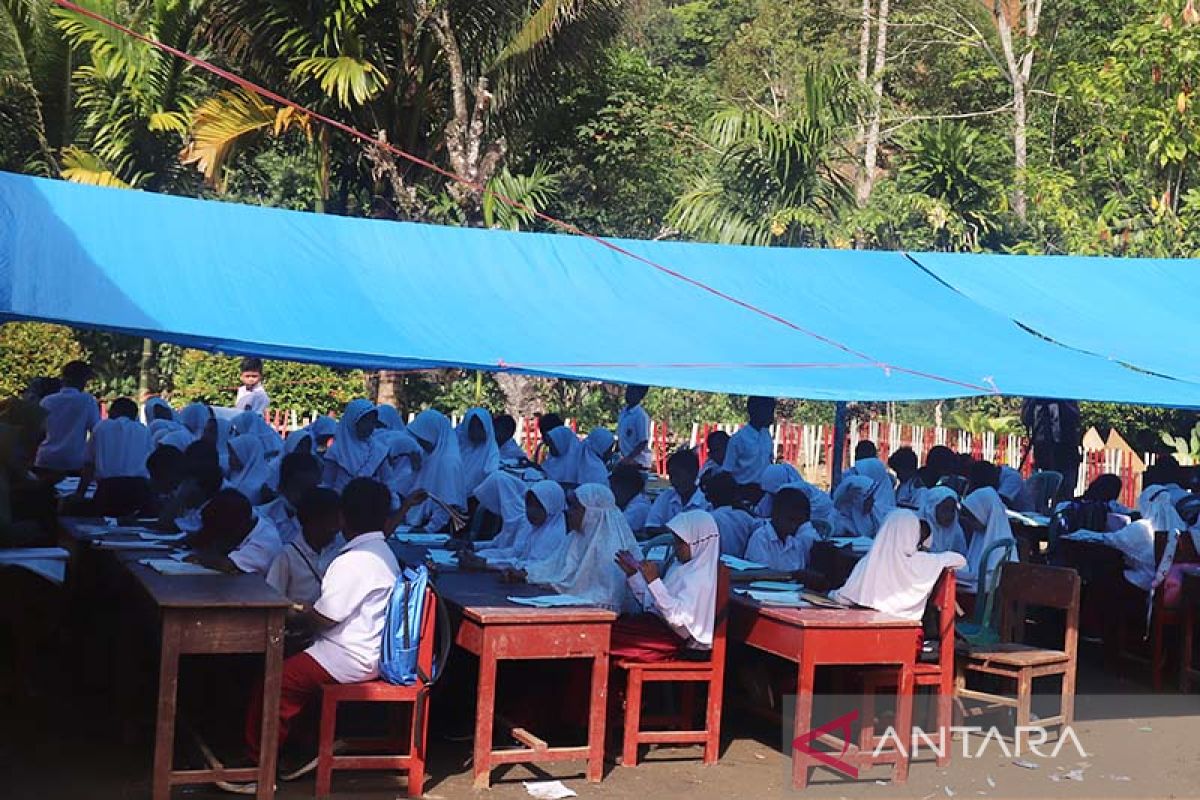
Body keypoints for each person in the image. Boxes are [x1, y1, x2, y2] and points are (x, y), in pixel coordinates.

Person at [242, 478, 401, 779]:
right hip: (358, 647)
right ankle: (297, 746)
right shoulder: (380, 551)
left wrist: (298, 614)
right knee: (291, 671)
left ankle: (257, 766)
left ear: (343, 517)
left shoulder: (356, 559)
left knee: (276, 683)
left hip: (348, 655)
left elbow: (325, 618)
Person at [613, 510, 720, 660]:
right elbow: (654, 605)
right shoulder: (679, 567)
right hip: (657, 627)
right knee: (609, 630)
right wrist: (634, 575)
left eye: (681, 542)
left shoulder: (702, 578)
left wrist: (654, 582)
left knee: (610, 641)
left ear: (698, 541)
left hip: (672, 640)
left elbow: (677, 619)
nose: (675, 547)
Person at [520, 484, 641, 612]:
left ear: (592, 513)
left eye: (575, 508)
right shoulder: (575, 537)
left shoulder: (611, 549)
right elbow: (552, 567)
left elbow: (607, 598)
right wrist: (526, 573)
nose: (568, 512)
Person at [831, 509, 966, 621]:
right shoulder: (923, 562)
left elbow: (846, 597)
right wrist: (939, 557)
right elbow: (960, 561)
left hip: (869, 625)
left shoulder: (868, 562)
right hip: (907, 628)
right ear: (913, 532)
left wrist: (831, 595)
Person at [76, 397, 154, 516]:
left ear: (112, 412)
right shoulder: (144, 431)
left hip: (108, 490)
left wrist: (80, 494)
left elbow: (89, 465)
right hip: (139, 489)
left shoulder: (101, 428)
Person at [265, 488, 343, 606]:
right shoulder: (287, 556)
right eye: (327, 524)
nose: (334, 529)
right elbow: (272, 600)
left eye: (336, 523)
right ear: (309, 522)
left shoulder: (343, 550)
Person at [188, 488, 282, 575]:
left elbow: (227, 565)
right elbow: (205, 537)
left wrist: (199, 558)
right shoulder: (239, 517)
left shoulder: (267, 540)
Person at [476, 479, 567, 567]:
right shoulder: (530, 525)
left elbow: (534, 565)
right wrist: (479, 556)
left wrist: (487, 563)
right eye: (529, 505)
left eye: (538, 506)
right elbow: (515, 553)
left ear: (551, 507)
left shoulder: (554, 534)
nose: (531, 511)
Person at [33, 360, 99, 479]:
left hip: (45, 459)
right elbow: (96, 430)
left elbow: (38, 432)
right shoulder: (87, 401)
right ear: (83, 381)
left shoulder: (47, 401)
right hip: (73, 460)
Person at [404, 408, 466, 530]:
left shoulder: (449, 462)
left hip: (436, 530)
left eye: (423, 439)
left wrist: (429, 529)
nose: (420, 443)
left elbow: (447, 504)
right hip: (421, 525)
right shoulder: (430, 456)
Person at [744, 486, 822, 577]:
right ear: (776, 514)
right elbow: (759, 575)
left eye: (798, 522)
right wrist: (792, 575)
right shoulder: (760, 539)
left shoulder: (795, 543)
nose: (794, 526)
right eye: (791, 520)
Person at [959, 486, 1017, 593]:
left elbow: (994, 581)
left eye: (973, 518)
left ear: (984, 514)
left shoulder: (1001, 544)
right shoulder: (980, 534)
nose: (969, 523)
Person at [1021, 398, 1081, 501]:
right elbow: (1026, 418)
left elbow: (1075, 417)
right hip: (1043, 448)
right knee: (1040, 494)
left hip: (1066, 449)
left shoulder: (1067, 397)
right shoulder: (1035, 397)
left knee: (1065, 491)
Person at [322, 399, 388, 491]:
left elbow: (388, 482)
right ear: (352, 421)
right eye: (365, 421)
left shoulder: (379, 450)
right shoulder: (336, 451)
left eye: (372, 421)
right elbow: (327, 483)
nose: (369, 425)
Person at [258, 453, 323, 545]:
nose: (305, 495)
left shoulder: (322, 524)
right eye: (299, 487)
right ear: (283, 486)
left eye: (311, 489)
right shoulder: (261, 517)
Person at [646, 449, 710, 528]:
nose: (674, 481)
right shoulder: (666, 497)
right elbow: (651, 526)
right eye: (671, 476)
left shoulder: (706, 503)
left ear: (693, 473)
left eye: (678, 475)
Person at [722, 396, 775, 487]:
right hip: (744, 490)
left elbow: (769, 461)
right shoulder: (738, 439)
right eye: (768, 411)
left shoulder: (766, 434)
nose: (771, 416)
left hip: (765, 489)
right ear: (754, 411)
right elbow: (727, 471)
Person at [457, 407, 500, 495]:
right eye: (472, 426)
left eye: (480, 426)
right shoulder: (455, 442)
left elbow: (491, 475)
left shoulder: (490, 449)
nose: (476, 431)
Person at [920, 486, 968, 556]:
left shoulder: (956, 531)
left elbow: (962, 557)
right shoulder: (920, 528)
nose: (949, 514)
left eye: (952, 510)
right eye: (945, 509)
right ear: (932, 508)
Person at [227, 435, 273, 505]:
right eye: (230, 454)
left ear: (246, 454)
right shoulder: (233, 474)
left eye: (233, 454)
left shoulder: (257, 486)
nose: (229, 458)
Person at [617, 385, 653, 470]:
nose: (628, 394)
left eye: (632, 392)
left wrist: (629, 458)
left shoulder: (641, 416)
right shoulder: (623, 413)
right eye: (628, 390)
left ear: (640, 395)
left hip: (638, 462)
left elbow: (643, 442)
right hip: (625, 460)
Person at [610, 464, 651, 535]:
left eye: (614, 488)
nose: (612, 492)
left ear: (626, 487)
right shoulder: (630, 503)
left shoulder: (639, 507)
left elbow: (615, 529)